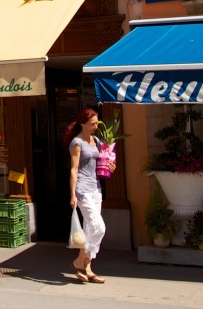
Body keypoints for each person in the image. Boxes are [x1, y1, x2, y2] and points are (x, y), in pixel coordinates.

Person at [66, 107, 114, 284]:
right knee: (98, 227)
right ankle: (80, 260)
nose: (95, 126)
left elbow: (103, 161)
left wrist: (110, 166)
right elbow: (73, 169)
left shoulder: (97, 140)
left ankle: (87, 267)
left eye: (96, 123)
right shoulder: (77, 143)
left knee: (89, 228)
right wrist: (72, 194)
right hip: (82, 189)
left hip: (96, 189)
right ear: (82, 123)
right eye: (92, 124)